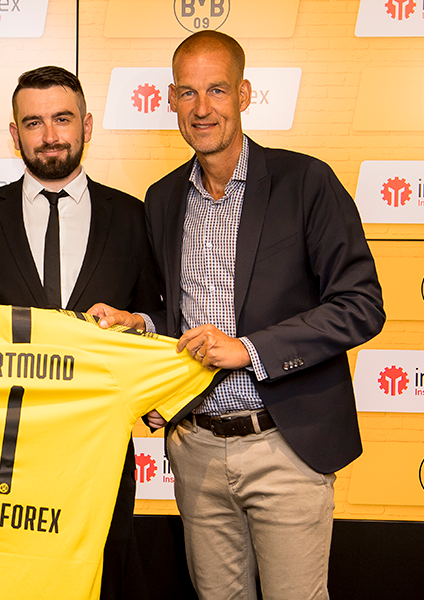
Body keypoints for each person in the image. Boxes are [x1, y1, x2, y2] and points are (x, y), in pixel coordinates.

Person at [91, 31, 385, 599]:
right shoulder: (163, 198)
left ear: (244, 94)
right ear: (170, 100)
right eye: (187, 92)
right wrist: (141, 326)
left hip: (286, 446)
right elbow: (177, 318)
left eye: (217, 90)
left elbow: (360, 305)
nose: (202, 108)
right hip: (196, 449)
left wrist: (248, 349)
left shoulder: (306, 182)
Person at [0, 65, 163, 600]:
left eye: (63, 119)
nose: (50, 135)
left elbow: (157, 318)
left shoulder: (134, 217)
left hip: (99, 452)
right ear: (15, 134)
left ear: (87, 126)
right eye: (33, 122)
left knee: (103, 579)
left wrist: (139, 327)